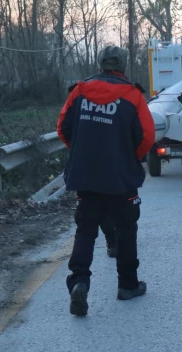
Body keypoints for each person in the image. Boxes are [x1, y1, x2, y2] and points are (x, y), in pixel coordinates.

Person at [57, 46, 155, 317]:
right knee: (126, 229)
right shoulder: (132, 95)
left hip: (86, 176)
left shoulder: (79, 91)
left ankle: (79, 281)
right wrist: (130, 158)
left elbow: (63, 128)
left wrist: (80, 153)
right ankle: (128, 285)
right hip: (121, 177)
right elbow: (147, 136)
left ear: (100, 64)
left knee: (85, 230)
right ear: (123, 66)